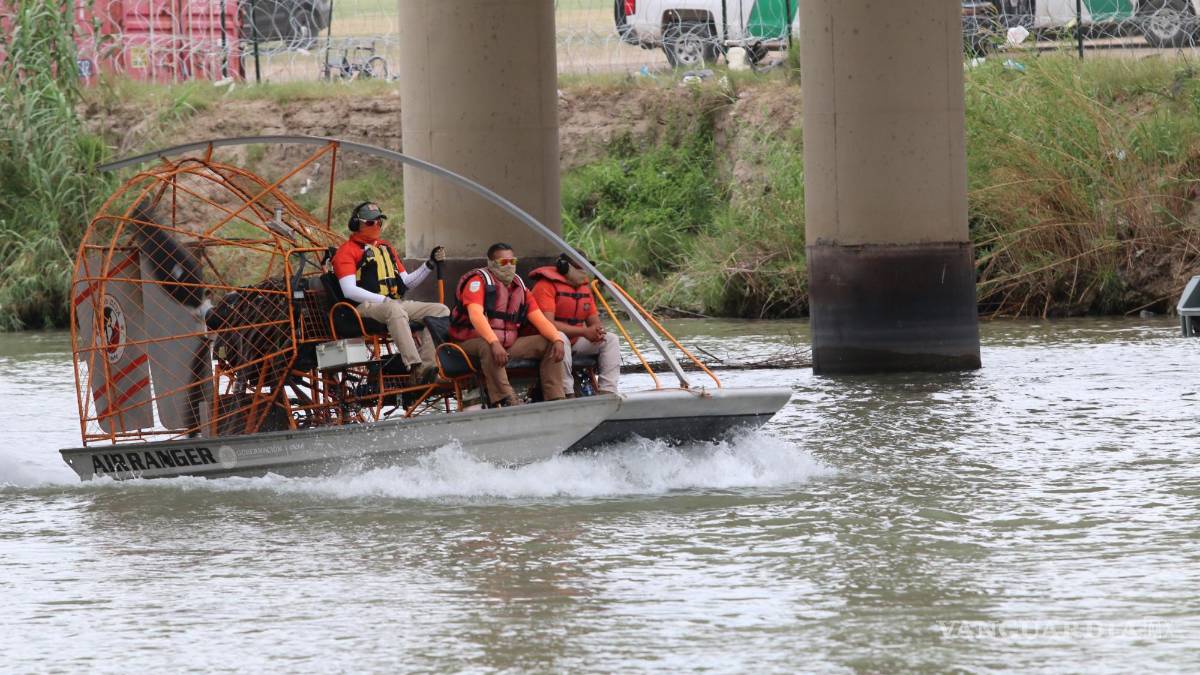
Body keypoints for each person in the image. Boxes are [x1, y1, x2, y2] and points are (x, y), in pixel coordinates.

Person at [331, 201, 449, 378]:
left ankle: (428, 367)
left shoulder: (386, 248)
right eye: (370, 223)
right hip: (364, 308)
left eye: (379, 222)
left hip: (394, 303)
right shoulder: (346, 252)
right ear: (357, 225)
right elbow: (349, 290)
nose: (376, 226)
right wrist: (384, 300)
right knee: (395, 309)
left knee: (440, 310)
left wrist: (430, 264)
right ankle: (414, 367)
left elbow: (407, 282)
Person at [449, 243, 567, 407]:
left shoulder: (520, 287)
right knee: (488, 346)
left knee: (550, 342)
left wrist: (557, 339)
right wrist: (494, 342)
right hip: (470, 343)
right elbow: (476, 315)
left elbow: (540, 319)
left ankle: (555, 397)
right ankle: (506, 399)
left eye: (513, 262)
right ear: (491, 263)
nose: (510, 266)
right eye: (504, 262)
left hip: (507, 344)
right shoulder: (477, 282)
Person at [529, 254, 620, 395]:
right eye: (579, 266)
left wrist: (597, 331)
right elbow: (548, 324)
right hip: (548, 341)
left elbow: (594, 321)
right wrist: (584, 332)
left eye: (586, 266)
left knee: (611, 339)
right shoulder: (545, 286)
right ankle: (567, 392)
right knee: (560, 338)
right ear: (564, 266)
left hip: (576, 341)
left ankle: (608, 391)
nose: (583, 270)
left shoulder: (584, 289)